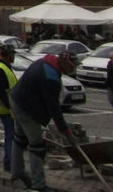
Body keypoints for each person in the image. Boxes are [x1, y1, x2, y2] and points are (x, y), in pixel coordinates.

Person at [9, 51, 78, 191]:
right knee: (37, 145)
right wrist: (66, 131)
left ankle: (17, 174)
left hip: (17, 99)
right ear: (64, 62)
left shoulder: (46, 62)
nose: (73, 69)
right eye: (72, 66)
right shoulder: (50, 77)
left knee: (19, 139)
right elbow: (54, 107)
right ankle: (38, 184)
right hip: (26, 108)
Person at [0, 44, 18, 172]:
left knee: (11, 135)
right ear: (8, 55)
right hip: (5, 108)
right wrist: (10, 107)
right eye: (12, 54)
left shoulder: (5, 67)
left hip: (8, 107)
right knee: (10, 136)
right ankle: (9, 164)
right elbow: (1, 91)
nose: (14, 57)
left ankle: (11, 163)